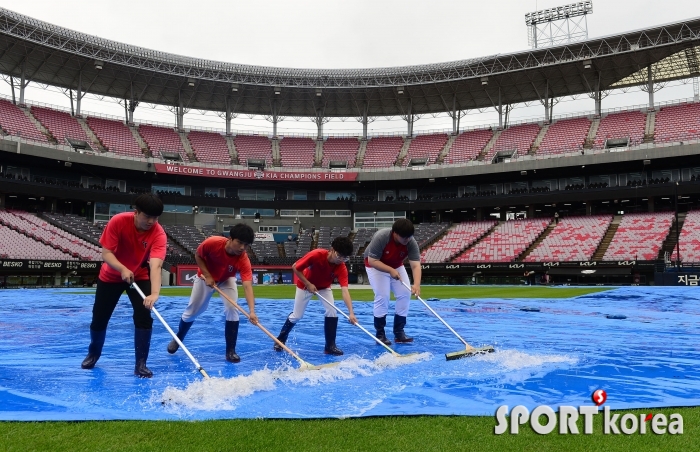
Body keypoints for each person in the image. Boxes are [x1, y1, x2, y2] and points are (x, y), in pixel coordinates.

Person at [81, 193, 166, 378]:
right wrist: (122, 268)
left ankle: (141, 364)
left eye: (155, 218)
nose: (151, 221)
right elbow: (107, 253)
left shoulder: (158, 233)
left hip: (140, 276)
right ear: (136, 212)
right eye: (147, 217)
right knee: (99, 318)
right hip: (111, 276)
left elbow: (156, 264)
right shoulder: (118, 221)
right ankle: (94, 353)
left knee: (144, 316)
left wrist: (154, 293)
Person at [167, 224, 258, 363]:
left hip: (226, 279)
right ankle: (178, 337)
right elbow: (198, 255)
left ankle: (230, 351)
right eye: (239, 243)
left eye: (246, 245)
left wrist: (252, 311)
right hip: (205, 277)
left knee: (232, 308)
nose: (242, 248)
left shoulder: (243, 259)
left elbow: (247, 286)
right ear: (230, 239)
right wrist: (208, 275)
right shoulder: (212, 243)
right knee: (193, 311)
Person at [274, 236, 357, 355]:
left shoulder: (341, 267)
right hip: (305, 285)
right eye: (339, 256)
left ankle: (330, 346)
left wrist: (351, 313)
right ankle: (280, 340)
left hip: (324, 288)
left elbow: (345, 290)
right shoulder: (317, 255)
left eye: (345, 258)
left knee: (332, 312)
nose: (341, 260)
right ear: (332, 250)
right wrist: (308, 284)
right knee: (297, 315)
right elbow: (295, 267)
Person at [363, 218, 421, 346]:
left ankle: (399, 332)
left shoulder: (410, 241)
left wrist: (416, 284)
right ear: (395, 233)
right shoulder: (382, 237)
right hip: (375, 265)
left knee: (405, 293)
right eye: (404, 237)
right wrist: (389, 270)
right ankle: (380, 334)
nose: (407, 240)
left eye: (409, 237)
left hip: (395, 265)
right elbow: (373, 261)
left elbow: (416, 265)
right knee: (382, 296)